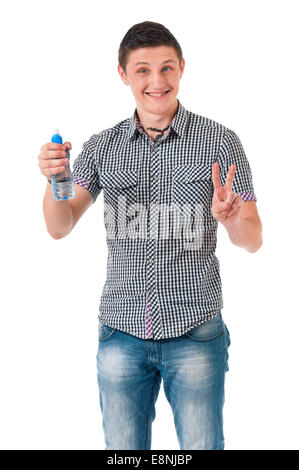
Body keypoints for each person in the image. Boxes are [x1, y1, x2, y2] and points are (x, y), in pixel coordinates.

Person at [38, 21, 263, 450]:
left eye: (166, 68)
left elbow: (253, 239)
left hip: (195, 332)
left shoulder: (221, 141)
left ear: (182, 68)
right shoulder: (103, 146)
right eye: (142, 70)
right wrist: (55, 181)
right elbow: (59, 225)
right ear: (123, 74)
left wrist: (232, 216)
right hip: (120, 334)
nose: (156, 82)